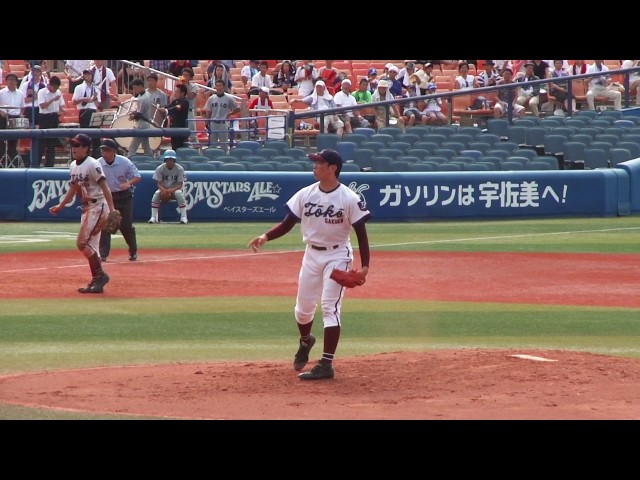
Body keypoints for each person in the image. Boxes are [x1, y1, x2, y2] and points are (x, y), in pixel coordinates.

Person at [247, 148, 371, 380]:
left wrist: (365, 267)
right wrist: (266, 236)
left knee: (329, 308)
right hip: (311, 255)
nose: (314, 166)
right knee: (303, 310)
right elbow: (287, 223)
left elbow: (361, 235)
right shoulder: (306, 193)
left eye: (319, 163)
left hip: (338, 256)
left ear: (332, 168)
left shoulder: (349, 198)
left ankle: (326, 364)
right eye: (314, 162)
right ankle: (306, 342)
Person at [48, 133, 116, 294]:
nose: (74, 148)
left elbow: (105, 187)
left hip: (98, 207)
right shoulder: (73, 165)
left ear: (86, 148)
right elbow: (74, 188)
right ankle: (96, 279)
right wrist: (61, 205)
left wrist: (112, 210)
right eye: (73, 145)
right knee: (91, 246)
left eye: (78, 145)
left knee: (82, 243)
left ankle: (100, 276)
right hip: (86, 209)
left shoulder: (93, 164)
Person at [97, 138, 141, 262]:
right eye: (103, 150)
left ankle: (133, 251)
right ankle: (103, 253)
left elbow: (137, 176)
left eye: (107, 150)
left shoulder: (124, 162)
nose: (104, 153)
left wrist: (128, 183)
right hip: (108, 197)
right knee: (106, 224)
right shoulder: (98, 163)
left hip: (124, 196)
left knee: (126, 226)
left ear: (113, 151)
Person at [148, 149, 188, 225]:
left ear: (174, 160)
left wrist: (171, 190)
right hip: (164, 189)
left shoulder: (179, 168)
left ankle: (184, 217)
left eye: (171, 159)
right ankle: (153, 217)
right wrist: (163, 190)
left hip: (175, 190)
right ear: (165, 160)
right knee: (156, 194)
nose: (169, 161)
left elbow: (180, 184)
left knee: (179, 194)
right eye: (168, 159)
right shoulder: (160, 168)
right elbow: (159, 183)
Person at [203, 79, 241, 152]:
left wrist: (230, 114)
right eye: (217, 86)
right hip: (213, 123)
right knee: (212, 145)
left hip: (223, 123)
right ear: (215, 87)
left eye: (220, 86)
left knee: (224, 145)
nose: (219, 87)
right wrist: (207, 122)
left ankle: (225, 158)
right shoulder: (211, 98)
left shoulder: (229, 98)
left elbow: (238, 108)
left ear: (223, 87)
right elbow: (208, 111)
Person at [37, 75, 67, 167]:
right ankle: (36, 164)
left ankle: (50, 165)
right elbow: (42, 106)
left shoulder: (58, 92)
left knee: (52, 143)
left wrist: (63, 110)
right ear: (50, 85)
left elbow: (61, 105)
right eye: (54, 87)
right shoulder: (42, 92)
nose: (55, 90)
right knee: (42, 143)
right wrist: (53, 99)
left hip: (54, 117)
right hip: (44, 117)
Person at [0, 73, 26, 162]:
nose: (12, 81)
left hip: (15, 117)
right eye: (10, 79)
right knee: (2, 141)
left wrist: (20, 115)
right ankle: (2, 162)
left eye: (13, 80)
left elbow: (22, 107)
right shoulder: (1, 92)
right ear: (6, 81)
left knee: (13, 142)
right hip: (3, 118)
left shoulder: (20, 93)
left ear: (16, 82)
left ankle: (12, 162)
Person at [127, 78, 154, 157]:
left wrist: (132, 116)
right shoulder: (144, 94)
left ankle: (130, 158)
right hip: (145, 123)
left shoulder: (144, 98)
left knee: (133, 146)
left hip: (142, 124)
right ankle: (151, 158)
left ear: (140, 86)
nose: (134, 89)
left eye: (135, 87)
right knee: (146, 146)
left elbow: (139, 113)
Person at [159, 82, 190, 150]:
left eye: (177, 91)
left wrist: (166, 110)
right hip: (173, 128)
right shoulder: (175, 102)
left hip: (181, 129)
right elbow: (168, 106)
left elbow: (177, 108)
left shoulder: (185, 102)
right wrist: (163, 108)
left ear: (182, 93)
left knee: (181, 148)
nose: (175, 93)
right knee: (174, 147)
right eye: (175, 91)